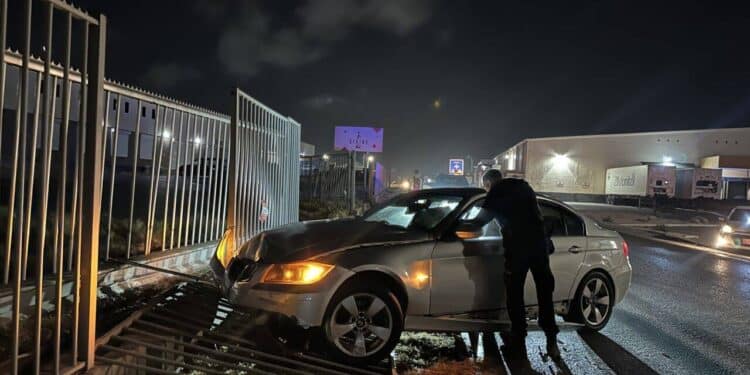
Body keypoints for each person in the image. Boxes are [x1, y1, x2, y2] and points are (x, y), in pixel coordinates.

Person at [471, 169, 560, 360]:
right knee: (545, 294)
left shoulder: (495, 193)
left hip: (518, 248)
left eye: (485, 187)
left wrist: (460, 226)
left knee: (514, 294)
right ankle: (552, 342)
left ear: (488, 183)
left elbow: (480, 221)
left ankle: (518, 342)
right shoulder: (524, 187)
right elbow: (536, 214)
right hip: (539, 246)